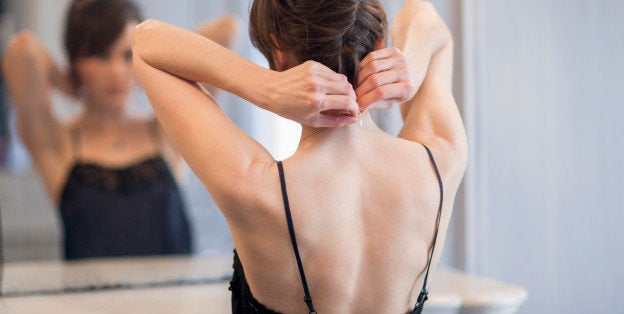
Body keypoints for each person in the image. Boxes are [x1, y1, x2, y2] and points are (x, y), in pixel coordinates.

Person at [132, 0, 467, 312]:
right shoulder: (440, 159)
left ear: (278, 56)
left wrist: (264, 87)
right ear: (379, 43)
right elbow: (422, 15)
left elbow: (146, 43)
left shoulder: (255, 186)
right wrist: (410, 62)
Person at [1, 0, 236, 260]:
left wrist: (152, 61)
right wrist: (68, 84)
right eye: (99, 55)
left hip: (175, 299)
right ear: (75, 61)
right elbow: (23, 50)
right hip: (87, 301)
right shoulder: (57, 143)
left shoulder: (165, 130)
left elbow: (226, 30)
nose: (116, 72)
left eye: (127, 56)